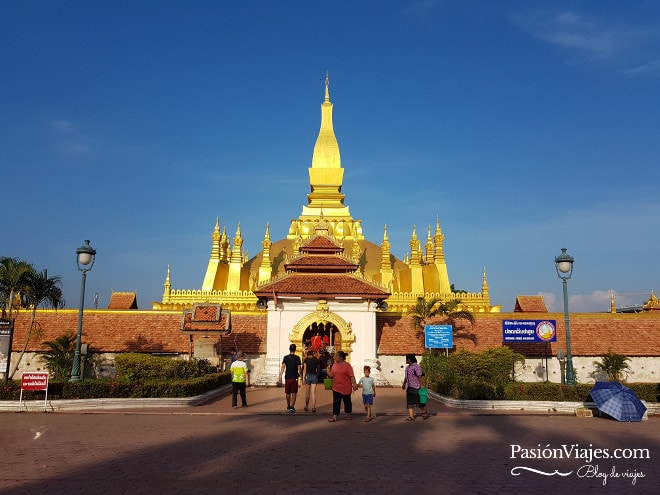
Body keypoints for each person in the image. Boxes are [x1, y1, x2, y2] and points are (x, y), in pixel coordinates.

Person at [326, 350, 358, 422]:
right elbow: (332, 375)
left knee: (347, 401)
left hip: (346, 387)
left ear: (341, 357)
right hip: (336, 387)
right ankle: (335, 416)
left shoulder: (347, 366)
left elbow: (351, 376)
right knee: (336, 402)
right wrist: (327, 371)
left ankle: (348, 414)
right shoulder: (334, 365)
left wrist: (354, 384)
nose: (335, 357)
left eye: (336, 356)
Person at [402, 354, 428, 421]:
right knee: (409, 402)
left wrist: (421, 385)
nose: (406, 360)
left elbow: (419, 376)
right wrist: (404, 384)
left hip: (416, 386)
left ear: (409, 359)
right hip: (409, 387)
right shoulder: (407, 368)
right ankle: (411, 416)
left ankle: (424, 411)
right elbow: (406, 376)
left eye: (406, 359)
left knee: (418, 401)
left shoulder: (416, 366)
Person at [279, 343, 302, 413]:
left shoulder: (285, 357)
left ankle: (288, 405)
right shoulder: (297, 358)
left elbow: (283, 367)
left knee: (287, 392)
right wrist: (301, 376)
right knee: (294, 392)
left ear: (289, 349)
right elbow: (299, 368)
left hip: (287, 377)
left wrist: (280, 375)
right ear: (295, 350)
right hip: (294, 377)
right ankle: (292, 406)